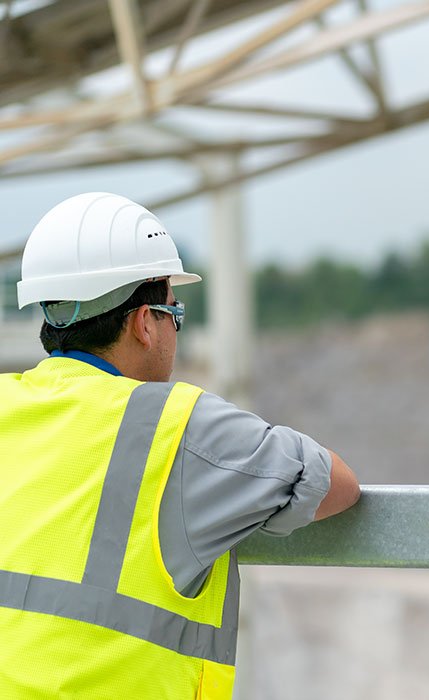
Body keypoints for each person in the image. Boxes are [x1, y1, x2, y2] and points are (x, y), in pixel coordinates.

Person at [0, 192, 360, 699]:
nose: (174, 329)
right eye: (174, 311)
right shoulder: (178, 425)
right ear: (144, 323)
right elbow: (335, 484)